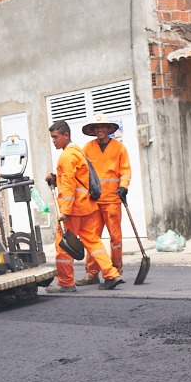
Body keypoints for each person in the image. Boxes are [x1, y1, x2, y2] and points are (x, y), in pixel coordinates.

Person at [45, 121, 125, 294]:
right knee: (93, 241)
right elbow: (76, 179)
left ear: (66, 135)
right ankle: (111, 274)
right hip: (87, 206)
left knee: (63, 245)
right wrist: (55, 179)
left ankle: (66, 282)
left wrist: (64, 211)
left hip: (73, 210)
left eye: (55, 137)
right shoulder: (78, 152)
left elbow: (68, 186)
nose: (54, 141)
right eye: (52, 138)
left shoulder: (66, 156)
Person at [77, 114, 132, 286]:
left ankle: (116, 271)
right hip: (94, 201)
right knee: (93, 237)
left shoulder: (119, 148)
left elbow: (125, 171)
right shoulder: (87, 148)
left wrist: (123, 186)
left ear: (108, 129)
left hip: (113, 199)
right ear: (93, 131)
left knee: (115, 238)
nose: (100, 130)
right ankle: (92, 273)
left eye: (103, 127)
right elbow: (80, 171)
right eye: (97, 127)